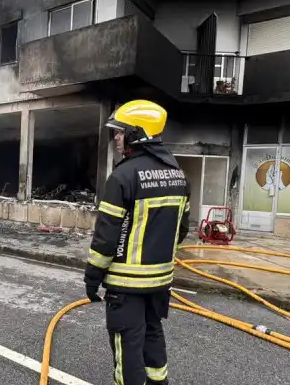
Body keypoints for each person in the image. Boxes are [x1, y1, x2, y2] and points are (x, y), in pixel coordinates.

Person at [84, 99, 190, 385]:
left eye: (120, 132)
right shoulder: (178, 175)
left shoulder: (123, 176)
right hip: (160, 282)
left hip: (126, 287)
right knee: (153, 335)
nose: (116, 138)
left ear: (136, 134)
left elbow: (106, 238)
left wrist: (92, 278)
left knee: (127, 348)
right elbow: (182, 229)